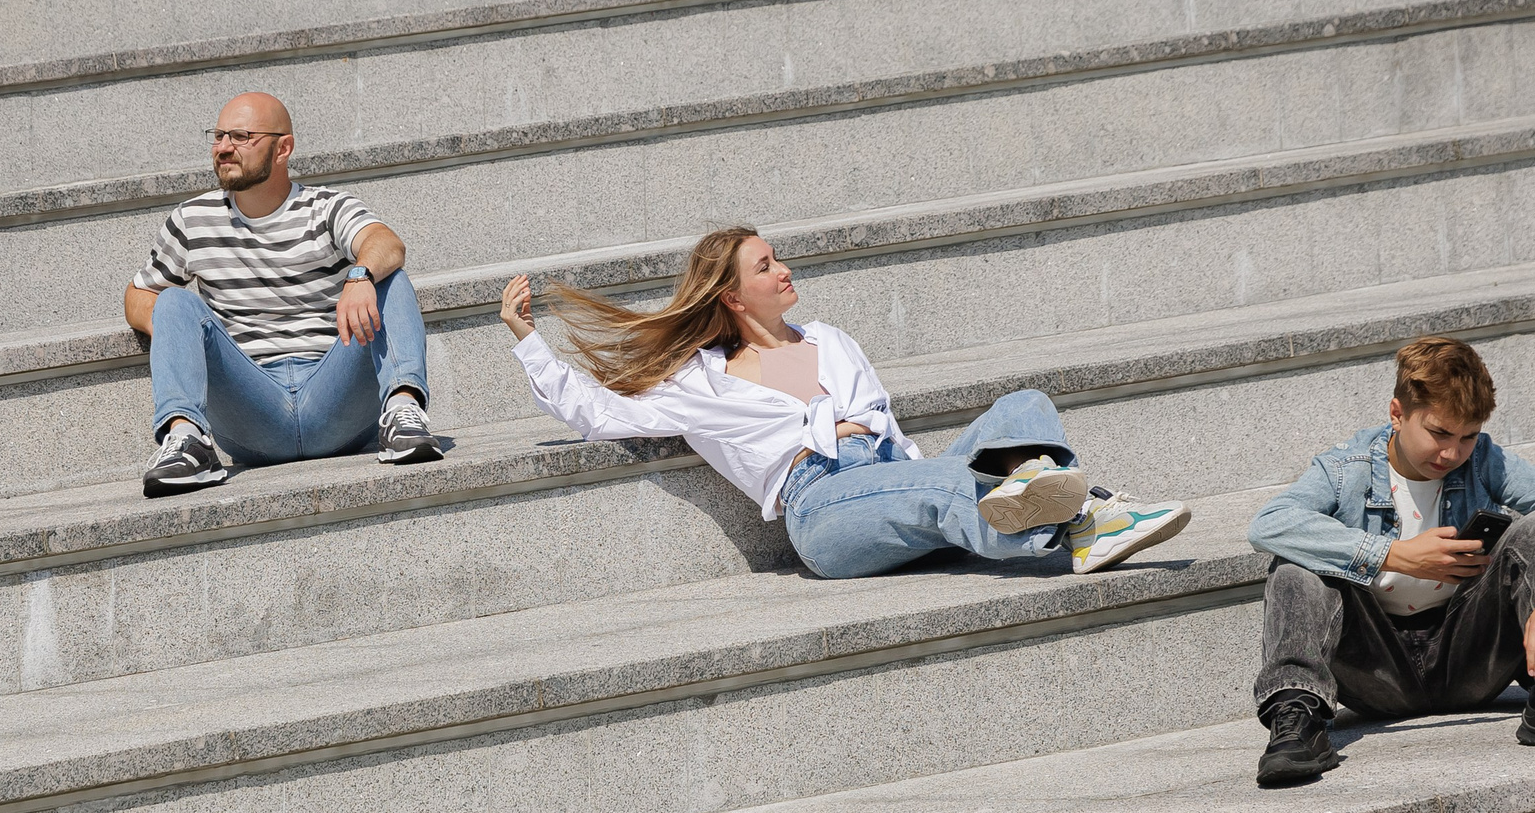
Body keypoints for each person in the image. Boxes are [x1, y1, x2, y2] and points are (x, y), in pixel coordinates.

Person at [495, 226, 1190, 578]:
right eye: (765, 265)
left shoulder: (830, 340)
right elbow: (597, 412)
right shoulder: (701, 382)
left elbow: (893, 436)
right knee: (951, 483)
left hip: (891, 474)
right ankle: (1079, 520)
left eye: (777, 257)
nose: (784, 269)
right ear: (732, 296)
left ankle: (1059, 506)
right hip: (822, 508)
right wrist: (528, 339)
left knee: (1023, 405)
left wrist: (919, 465)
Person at [1248, 335, 1535, 789]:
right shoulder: (1345, 469)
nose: (1452, 453)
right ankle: (1297, 718)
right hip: (1375, 669)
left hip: (1471, 657)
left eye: (1467, 436)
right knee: (1295, 564)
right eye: (1439, 433)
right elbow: (1269, 524)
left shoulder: (1483, 461)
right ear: (1397, 414)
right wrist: (1396, 555)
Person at [126, 91, 440, 496]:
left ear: (283, 148)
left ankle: (402, 412)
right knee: (172, 300)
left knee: (388, 277)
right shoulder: (192, 220)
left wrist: (359, 275)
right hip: (250, 409)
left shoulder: (325, 207)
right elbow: (138, 295)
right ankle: (187, 442)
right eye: (219, 136)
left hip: (336, 398)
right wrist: (178, 329)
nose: (223, 148)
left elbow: (387, 243)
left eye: (241, 136)